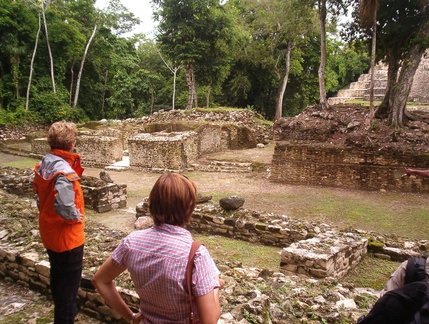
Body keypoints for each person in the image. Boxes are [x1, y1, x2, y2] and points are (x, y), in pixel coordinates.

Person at [91, 173, 223, 324]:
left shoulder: (131, 242)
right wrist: (215, 284)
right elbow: (210, 319)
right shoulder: (195, 255)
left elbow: (100, 280)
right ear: (189, 207)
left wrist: (131, 317)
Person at [33, 120, 85, 324]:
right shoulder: (64, 171)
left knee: (58, 280)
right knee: (68, 292)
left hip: (50, 232)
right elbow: (64, 204)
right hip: (67, 239)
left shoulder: (45, 163)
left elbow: (39, 193)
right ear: (71, 143)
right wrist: (75, 216)